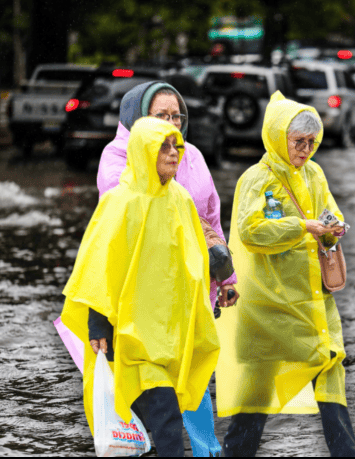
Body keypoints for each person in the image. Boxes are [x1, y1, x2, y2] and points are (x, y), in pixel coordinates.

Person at [61, 117, 220, 457]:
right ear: (143, 149)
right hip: (134, 335)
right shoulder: (120, 202)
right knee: (165, 415)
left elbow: (192, 264)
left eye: (176, 145)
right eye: (163, 146)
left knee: (160, 417)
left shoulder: (180, 199)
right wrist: (98, 323)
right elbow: (99, 269)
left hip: (173, 332)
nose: (173, 153)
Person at [216, 91, 355, 457]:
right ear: (279, 137)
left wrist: (333, 226)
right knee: (256, 400)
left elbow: (329, 212)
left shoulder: (314, 173)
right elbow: (250, 232)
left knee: (331, 376)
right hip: (272, 307)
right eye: (299, 141)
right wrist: (303, 227)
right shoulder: (256, 179)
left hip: (315, 304)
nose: (306, 149)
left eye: (313, 141)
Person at [96, 81, 237, 457]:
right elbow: (112, 245)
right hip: (145, 300)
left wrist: (226, 275)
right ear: (139, 120)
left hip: (191, 288)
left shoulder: (190, 155)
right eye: (162, 116)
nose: (173, 125)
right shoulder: (117, 164)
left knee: (195, 375)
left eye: (177, 116)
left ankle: (207, 451)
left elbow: (211, 217)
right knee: (157, 396)